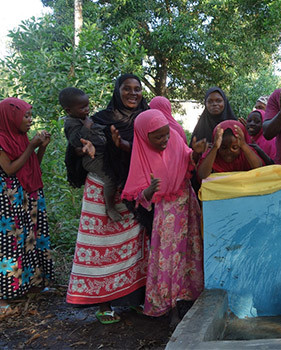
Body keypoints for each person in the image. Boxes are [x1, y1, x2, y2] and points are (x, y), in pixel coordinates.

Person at [66, 74, 149, 325]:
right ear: (117, 90)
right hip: (101, 186)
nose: (133, 94)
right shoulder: (99, 119)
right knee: (100, 245)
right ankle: (103, 303)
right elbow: (75, 148)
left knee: (134, 245)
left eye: (137, 89)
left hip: (132, 188)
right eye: (127, 89)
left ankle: (133, 299)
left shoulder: (146, 118)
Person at [121, 109, 206, 326]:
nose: (164, 140)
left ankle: (189, 296)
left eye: (166, 134)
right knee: (168, 257)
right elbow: (139, 195)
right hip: (166, 214)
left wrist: (195, 154)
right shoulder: (140, 156)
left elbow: (188, 160)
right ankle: (170, 306)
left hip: (187, 204)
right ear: (143, 136)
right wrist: (150, 190)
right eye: (158, 137)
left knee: (190, 251)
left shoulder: (175, 139)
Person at [0, 98, 54, 314]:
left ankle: (29, 284)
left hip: (28, 195)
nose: (30, 120)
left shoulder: (21, 138)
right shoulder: (2, 140)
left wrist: (40, 148)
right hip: (9, 200)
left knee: (30, 239)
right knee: (10, 244)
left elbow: (31, 167)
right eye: (26, 116)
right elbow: (11, 169)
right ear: (11, 117)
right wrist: (31, 146)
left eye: (31, 115)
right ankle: (4, 294)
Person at [60, 87, 123, 222]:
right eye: (82, 107)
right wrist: (87, 127)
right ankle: (110, 207)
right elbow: (76, 141)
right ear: (69, 110)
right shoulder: (71, 123)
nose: (87, 109)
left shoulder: (84, 118)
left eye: (87, 105)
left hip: (102, 153)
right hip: (92, 159)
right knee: (110, 178)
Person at [197, 120, 264, 179]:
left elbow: (259, 168)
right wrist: (215, 147)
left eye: (234, 147)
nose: (228, 152)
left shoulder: (247, 152)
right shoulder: (211, 154)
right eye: (223, 148)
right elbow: (202, 175)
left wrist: (243, 145)